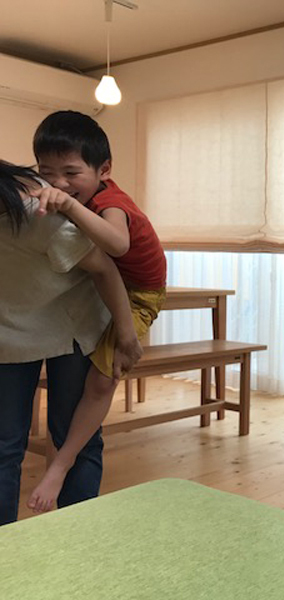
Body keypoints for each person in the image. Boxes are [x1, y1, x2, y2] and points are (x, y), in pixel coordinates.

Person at [27, 110, 167, 513]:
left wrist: (70, 208)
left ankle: (61, 465)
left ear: (103, 169)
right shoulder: (75, 193)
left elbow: (118, 244)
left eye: (71, 173)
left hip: (140, 294)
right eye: (47, 172)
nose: (58, 183)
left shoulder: (110, 201)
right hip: (108, 286)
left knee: (103, 382)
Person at [0, 160, 142, 525]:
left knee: (74, 436)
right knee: (4, 445)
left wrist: (126, 335)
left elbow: (105, 267)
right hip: (12, 333)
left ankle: (79, 536)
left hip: (73, 326)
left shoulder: (36, 212)